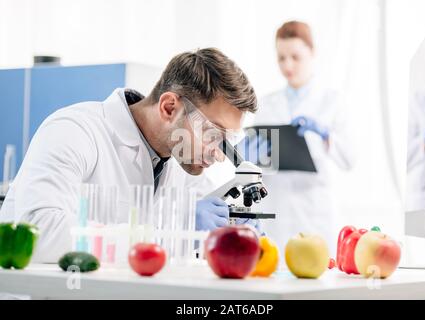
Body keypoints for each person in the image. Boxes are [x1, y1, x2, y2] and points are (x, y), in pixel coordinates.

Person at [0, 48, 258, 262]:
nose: (218, 154)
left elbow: (197, 231)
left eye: (227, 141)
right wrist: (169, 232)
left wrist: (230, 232)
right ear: (169, 108)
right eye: (213, 133)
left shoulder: (184, 163)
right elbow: (38, 232)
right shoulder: (74, 130)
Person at [250, 21, 355, 253]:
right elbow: (256, 171)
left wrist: (326, 134)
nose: (288, 65)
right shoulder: (266, 104)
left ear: (312, 52)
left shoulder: (333, 101)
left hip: (314, 214)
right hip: (275, 212)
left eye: (295, 57)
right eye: (281, 58)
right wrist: (250, 160)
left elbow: (349, 160)